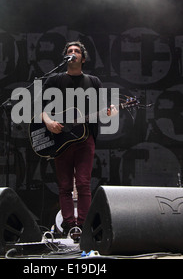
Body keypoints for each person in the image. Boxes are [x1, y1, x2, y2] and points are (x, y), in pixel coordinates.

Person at [41, 41, 118, 236]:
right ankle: (69, 225)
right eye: (69, 51)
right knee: (65, 185)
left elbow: (103, 109)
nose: (73, 53)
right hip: (61, 140)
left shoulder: (93, 81)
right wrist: (49, 122)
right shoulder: (54, 80)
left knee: (83, 183)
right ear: (65, 57)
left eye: (77, 51)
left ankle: (83, 226)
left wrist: (109, 113)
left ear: (83, 58)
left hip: (85, 139)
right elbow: (41, 109)